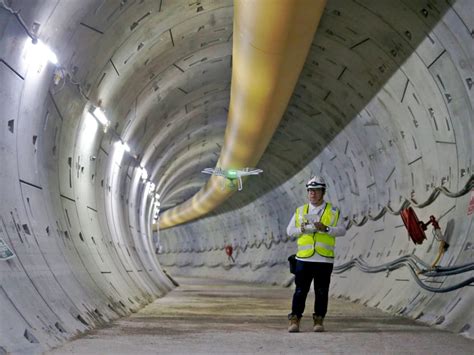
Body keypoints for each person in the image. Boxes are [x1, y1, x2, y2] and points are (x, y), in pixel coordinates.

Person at [286, 176, 346, 332]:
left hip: (324, 259)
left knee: (321, 291)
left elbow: (342, 230)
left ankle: (319, 320)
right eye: (310, 191)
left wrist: (326, 228)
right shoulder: (300, 211)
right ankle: (295, 320)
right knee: (300, 290)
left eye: (316, 191)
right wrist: (302, 229)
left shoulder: (333, 211)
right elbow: (290, 231)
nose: (312, 193)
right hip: (304, 259)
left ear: (323, 192)